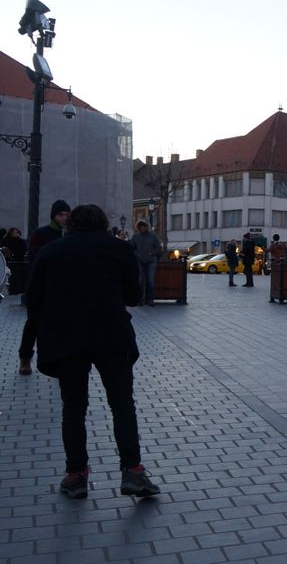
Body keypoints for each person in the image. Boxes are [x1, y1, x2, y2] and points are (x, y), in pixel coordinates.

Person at [26, 204, 160, 499]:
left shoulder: (51, 252)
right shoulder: (119, 249)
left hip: (67, 339)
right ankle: (133, 472)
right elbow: (133, 297)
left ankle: (76, 476)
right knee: (122, 404)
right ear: (101, 223)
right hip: (112, 336)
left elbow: (33, 299)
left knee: (73, 408)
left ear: (70, 223)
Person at [19, 200, 70, 375]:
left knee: (61, 325)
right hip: (41, 287)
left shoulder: (69, 235)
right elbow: (34, 260)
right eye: (61, 214)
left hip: (61, 288)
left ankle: (59, 359)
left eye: (66, 215)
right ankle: (25, 358)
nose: (64, 218)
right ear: (54, 216)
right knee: (33, 324)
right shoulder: (41, 234)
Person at [130, 220, 163, 305]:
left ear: (146, 226)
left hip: (151, 261)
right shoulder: (136, 236)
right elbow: (131, 248)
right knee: (140, 281)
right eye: (140, 226)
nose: (142, 228)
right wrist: (136, 254)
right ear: (138, 227)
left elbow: (158, 247)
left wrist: (152, 253)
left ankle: (150, 299)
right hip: (140, 261)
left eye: (144, 226)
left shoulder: (153, 236)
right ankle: (140, 299)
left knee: (150, 281)